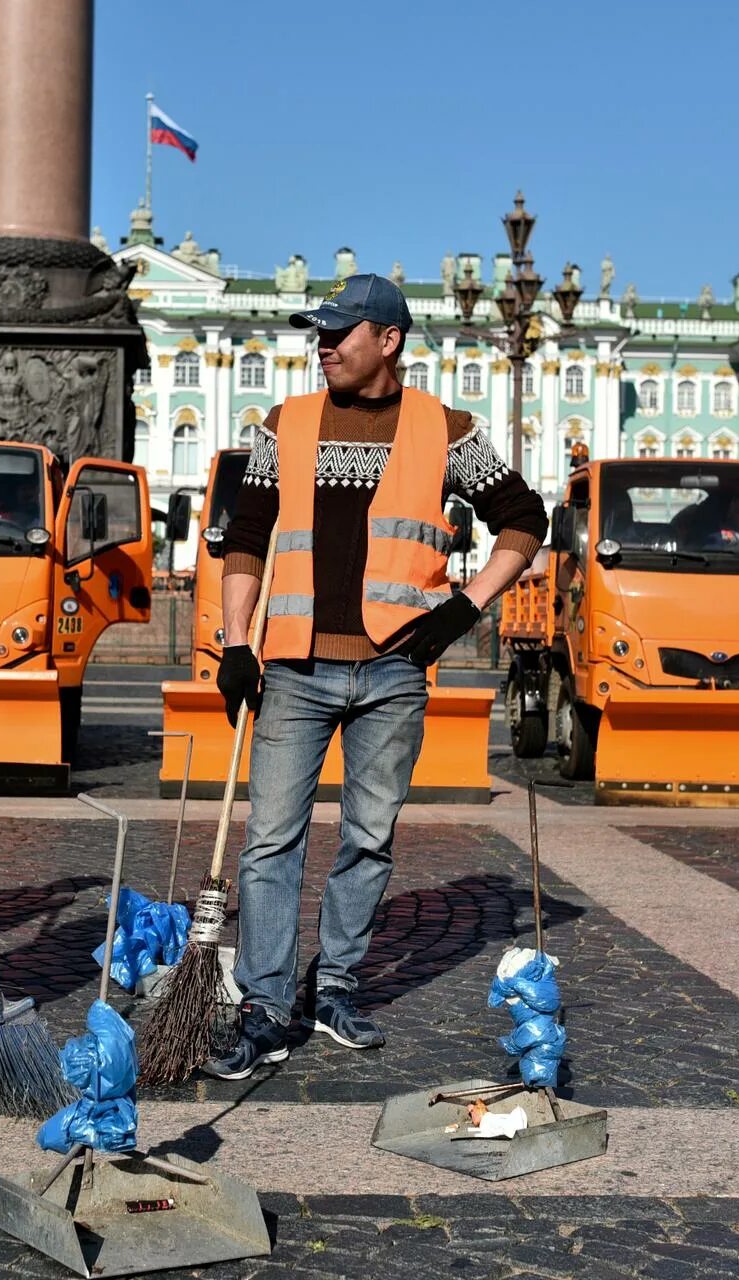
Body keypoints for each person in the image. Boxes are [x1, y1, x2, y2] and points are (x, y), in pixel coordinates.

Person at [208, 274, 545, 1079]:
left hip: (394, 671)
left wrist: (466, 609)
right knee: (270, 843)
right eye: (319, 334)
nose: (323, 345)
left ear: (387, 340)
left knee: (368, 837)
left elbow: (526, 519)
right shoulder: (281, 425)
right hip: (291, 667)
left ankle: (333, 987)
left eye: (339, 332)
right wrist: (232, 642)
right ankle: (261, 1004)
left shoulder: (446, 429)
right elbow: (247, 538)